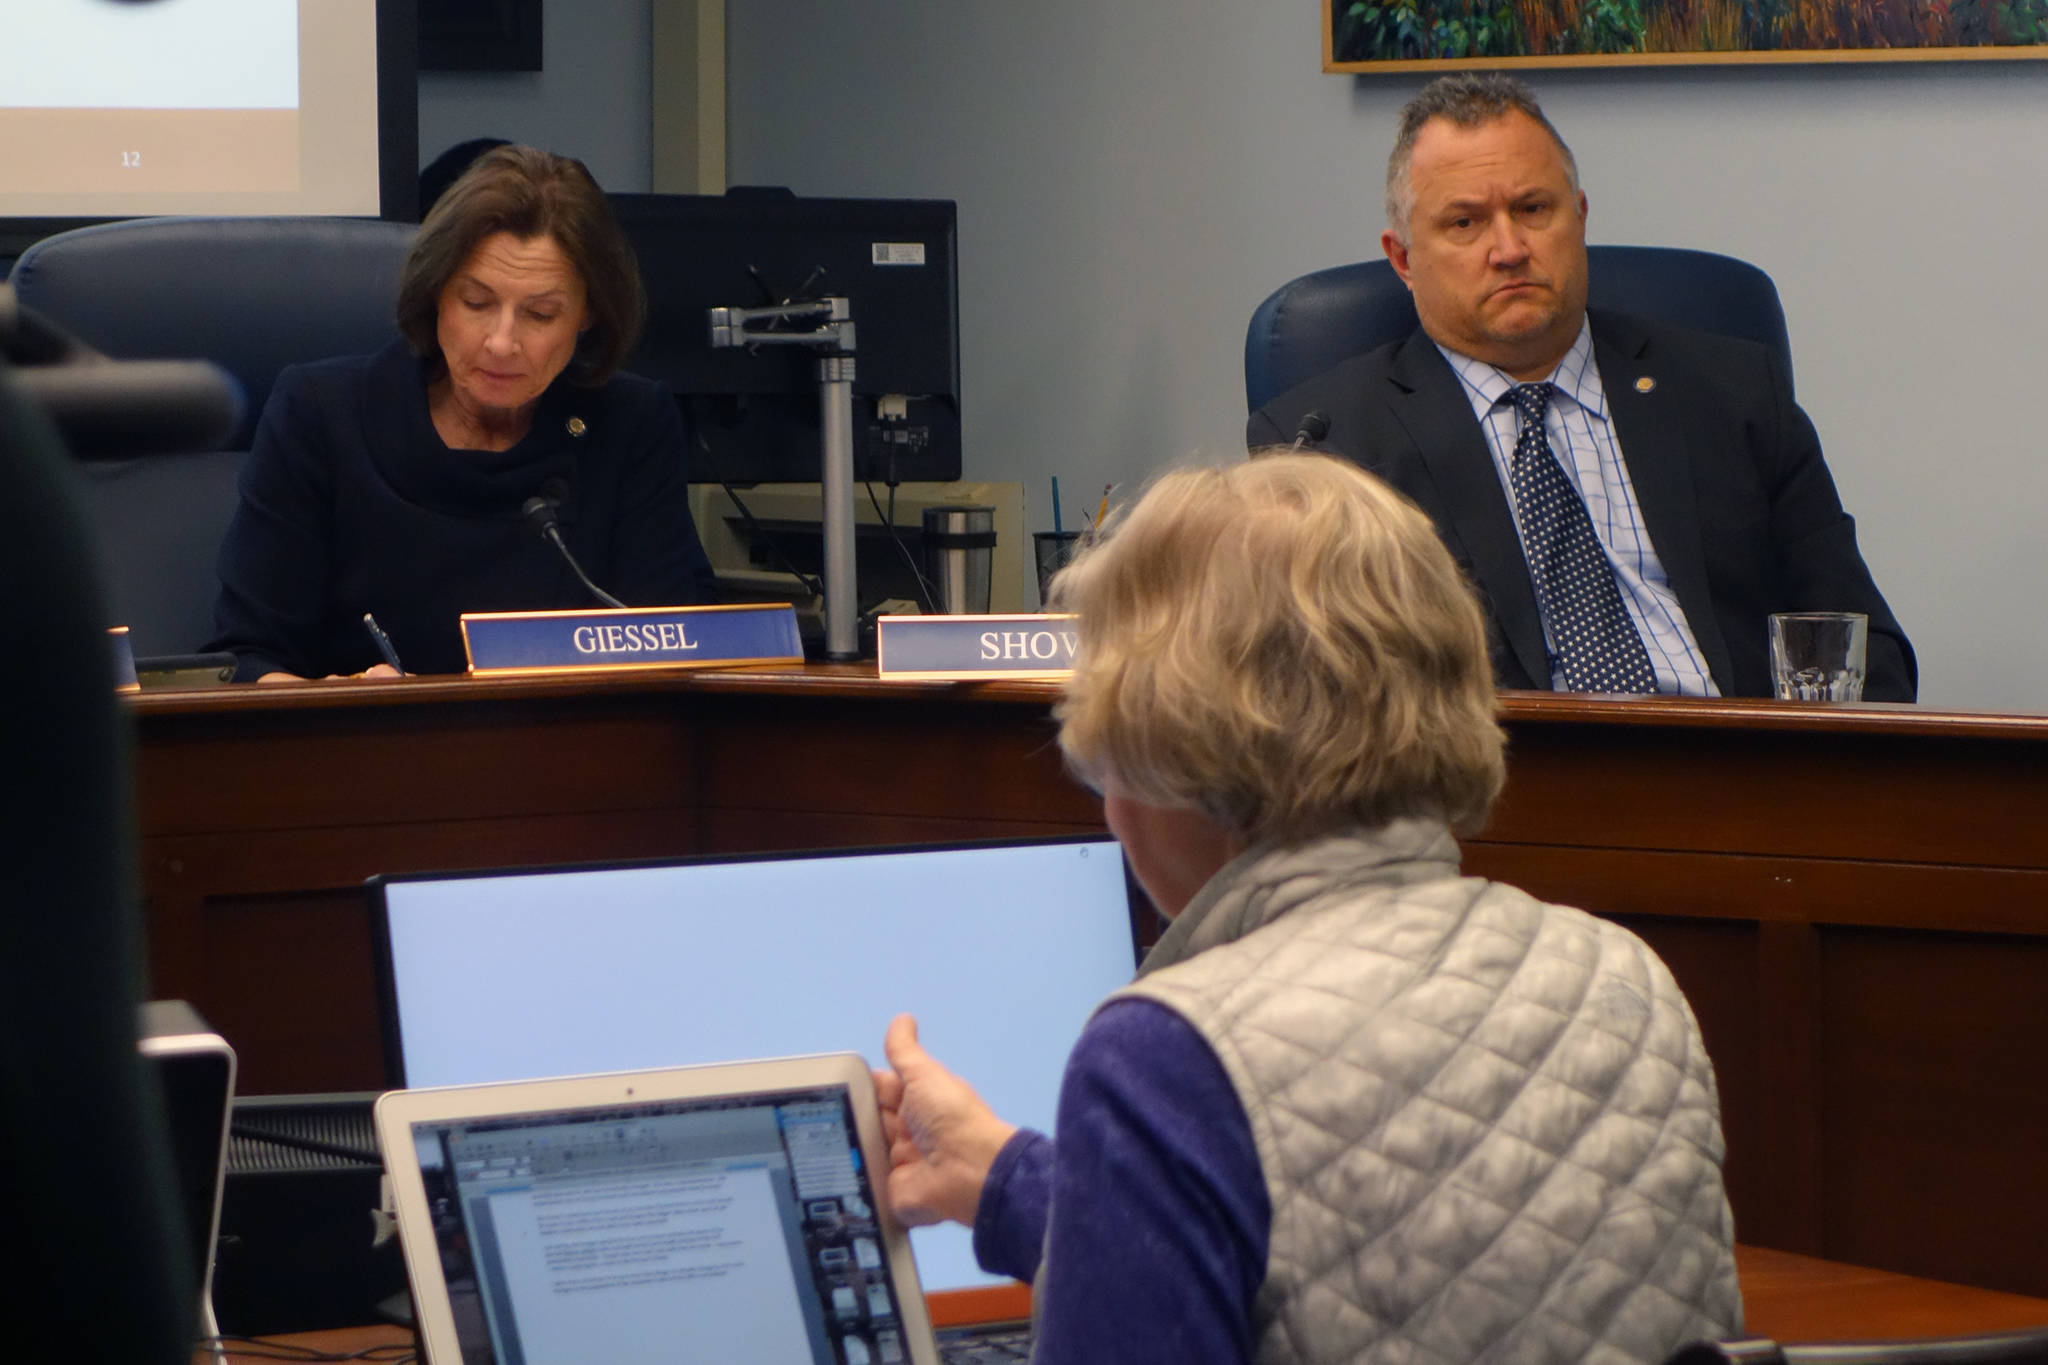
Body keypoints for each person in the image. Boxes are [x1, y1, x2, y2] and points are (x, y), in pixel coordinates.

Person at [874, 453, 1742, 1365]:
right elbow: (1367, 1252)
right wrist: (1011, 1181)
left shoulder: (1166, 1056)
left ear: (1163, 752)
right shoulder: (1624, 977)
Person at [1247, 74, 1914, 702]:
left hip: (1738, 782)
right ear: (1402, 259)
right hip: (1496, 795)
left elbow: (1866, 651)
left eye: (1533, 208)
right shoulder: (1329, 444)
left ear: (1580, 216)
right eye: (1465, 223)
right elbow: (1311, 707)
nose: (1508, 248)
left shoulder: (1731, 392)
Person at [209, 144, 714, 680]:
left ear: (587, 315)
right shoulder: (321, 415)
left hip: (571, 751)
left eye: (540, 314)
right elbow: (245, 657)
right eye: (476, 303)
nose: (501, 342)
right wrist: (328, 701)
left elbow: (677, 650)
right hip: (366, 753)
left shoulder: (631, 425)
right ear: (436, 294)